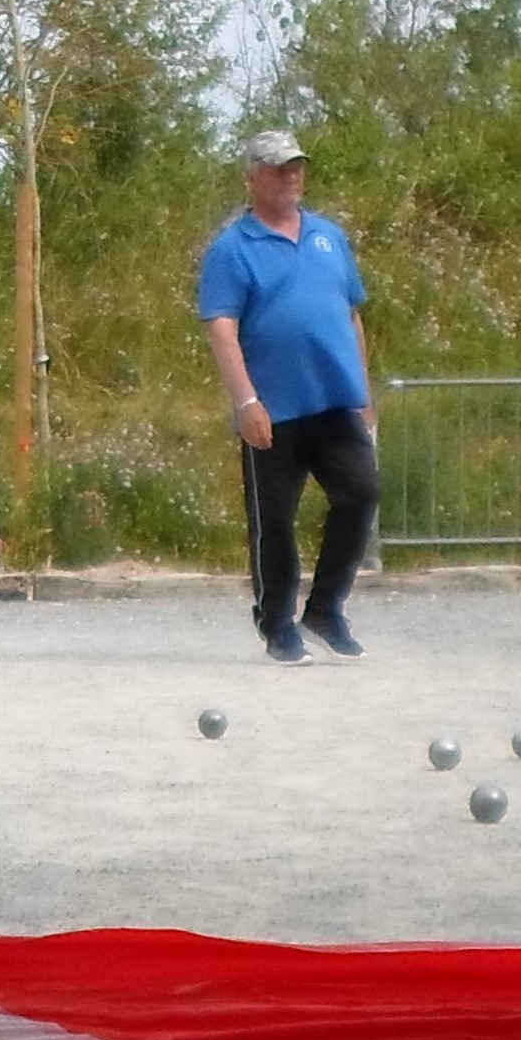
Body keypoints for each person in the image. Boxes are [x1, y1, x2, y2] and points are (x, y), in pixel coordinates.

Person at [197, 130, 380, 664]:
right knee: (273, 521)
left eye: (296, 166)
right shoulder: (233, 249)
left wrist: (364, 391)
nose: (291, 176)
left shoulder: (329, 236)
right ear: (253, 176)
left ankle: (325, 607)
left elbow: (351, 314)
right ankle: (277, 622)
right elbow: (222, 329)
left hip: (334, 401)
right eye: (279, 168)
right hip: (273, 409)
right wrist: (246, 402)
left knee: (361, 492)